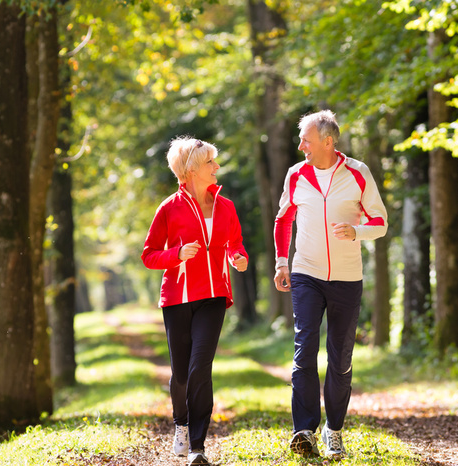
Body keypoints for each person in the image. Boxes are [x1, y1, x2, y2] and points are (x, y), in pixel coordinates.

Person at [273, 110, 388, 459]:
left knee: (340, 359)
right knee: (304, 348)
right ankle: (304, 430)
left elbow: (380, 222)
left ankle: (333, 430)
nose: (300, 146)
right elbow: (283, 220)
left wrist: (357, 231)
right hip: (306, 272)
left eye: (306, 140)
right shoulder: (297, 175)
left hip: (346, 277)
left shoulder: (358, 173)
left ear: (327, 141)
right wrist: (282, 263)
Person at [141, 136, 248, 466]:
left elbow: (236, 244)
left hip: (214, 296)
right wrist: (176, 254)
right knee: (182, 374)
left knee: (201, 368)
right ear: (189, 171)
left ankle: (198, 446)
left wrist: (238, 257)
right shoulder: (168, 209)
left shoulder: (225, 206)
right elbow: (149, 255)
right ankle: (182, 424)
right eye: (209, 163)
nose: (216, 167)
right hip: (177, 298)